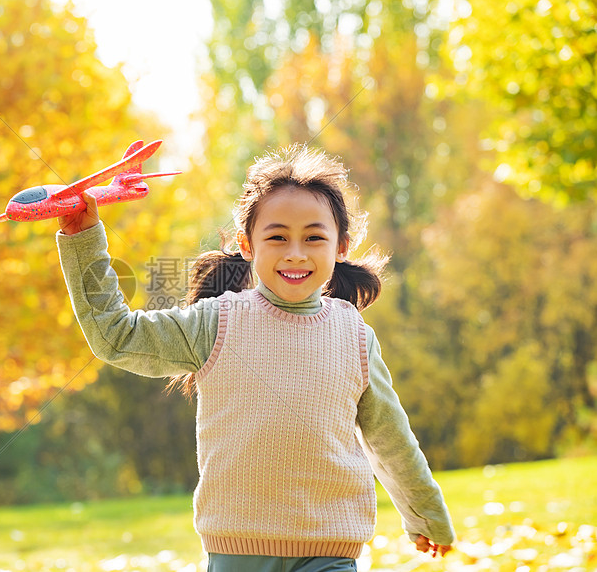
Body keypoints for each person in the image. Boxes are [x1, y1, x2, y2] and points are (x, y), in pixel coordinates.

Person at [56, 144, 455, 571]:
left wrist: (426, 513)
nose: (296, 253)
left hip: (331, 550)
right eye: (277, 236)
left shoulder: (354, 335)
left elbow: (390, 439)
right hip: (237, 551)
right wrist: (83, 238)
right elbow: (116, 335)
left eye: (314, 237)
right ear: (247, 245)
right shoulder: (216, 323)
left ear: (341, 246)